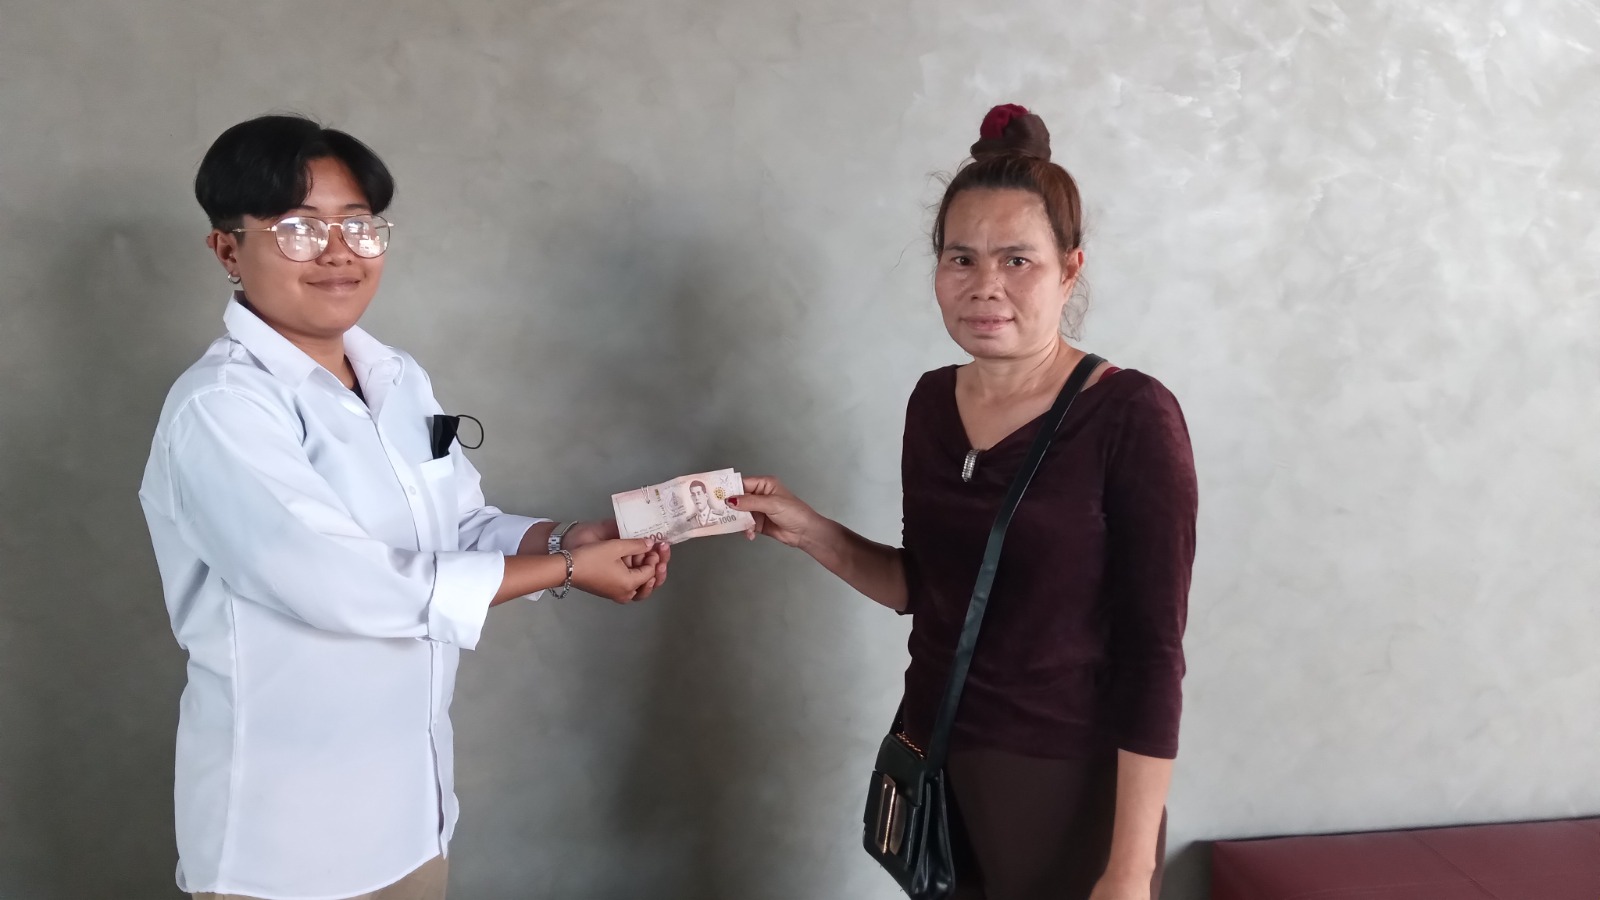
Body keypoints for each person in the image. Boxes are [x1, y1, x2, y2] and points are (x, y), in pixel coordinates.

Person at [137, 115, 671, 900]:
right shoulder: (220, 407)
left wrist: (563, 537)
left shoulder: (396, 378)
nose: (339, 252)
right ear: (227, 249)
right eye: (299, 229)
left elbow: (458, 525)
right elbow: (338, 582)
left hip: (412, 816)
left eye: (359, 225)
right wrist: (565, 570)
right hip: (282, 838)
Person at [732, 104, 1197, 900]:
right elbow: (927, 589)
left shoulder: (1131, 415)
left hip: (1066, 786)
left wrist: (1129, 869)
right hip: (938, 762)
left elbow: (1153, 657)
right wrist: (809, 529)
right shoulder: (931, 403)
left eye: (1018, 260)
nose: (986, 286)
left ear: (1070, 270)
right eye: (961, 258)